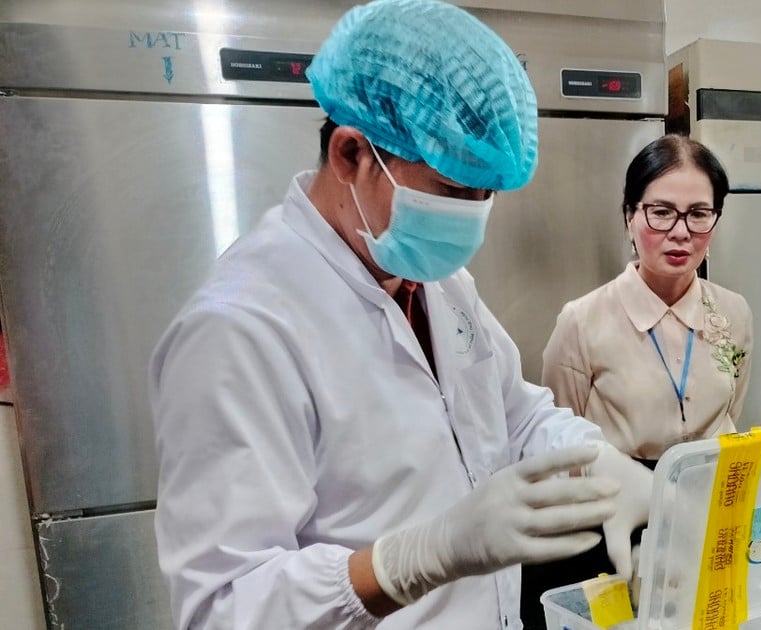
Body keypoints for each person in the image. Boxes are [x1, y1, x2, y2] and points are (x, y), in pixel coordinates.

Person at [149, 1, 651, 628]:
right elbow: (223, 606)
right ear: (351, 154)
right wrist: (409, 560)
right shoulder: (241, 329)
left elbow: (514, 417)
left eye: (485, 193)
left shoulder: (438, 282)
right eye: (452, 189)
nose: (473, 215)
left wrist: (600, 461)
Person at [522, 135, 752, 628]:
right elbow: (558, 447)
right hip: (614, 527)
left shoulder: (733, 312)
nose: (680, 232)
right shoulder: (582, 320)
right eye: (661, 212)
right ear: (630, 215)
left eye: (699, 214)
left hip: (710, 518)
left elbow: (736, 404)